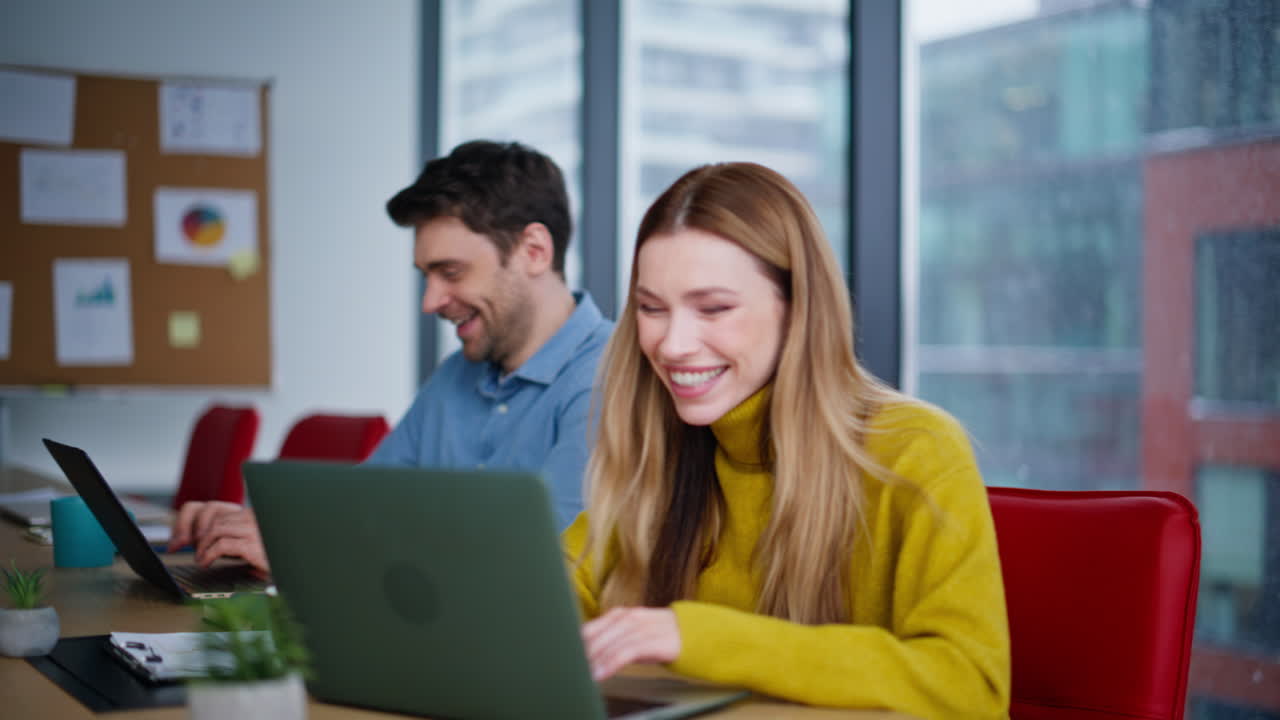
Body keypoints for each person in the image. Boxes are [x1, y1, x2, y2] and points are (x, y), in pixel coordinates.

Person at [563, 162, 1010, 717]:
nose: (672, 344)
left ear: (797, 308)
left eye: (714, 308)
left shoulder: (916, 447)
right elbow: (558, 592)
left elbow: (971, 686)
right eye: (652, 309)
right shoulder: (664, 444)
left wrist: (695, 638)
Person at [170, 140, 613, 572]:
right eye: (426, 276)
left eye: (451, 272)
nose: (430, 301)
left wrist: (306, 548)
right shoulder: (455, 376)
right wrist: (257, 525)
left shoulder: (610, 376)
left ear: (534, 252)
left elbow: (534, 561)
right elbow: (366, 503)